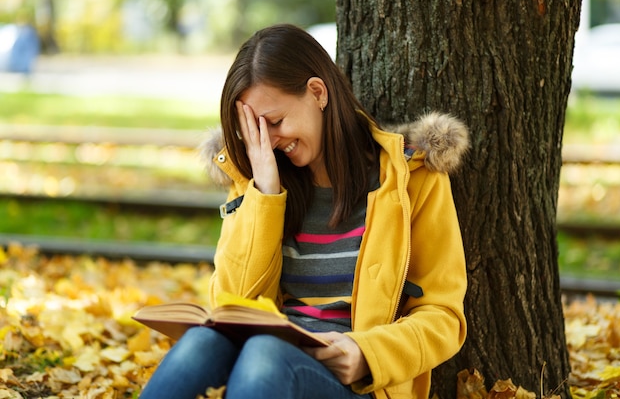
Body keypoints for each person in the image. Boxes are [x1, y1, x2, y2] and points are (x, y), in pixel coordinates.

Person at [139, 23, 469, 399]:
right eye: (255, 131)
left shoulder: (411, 178)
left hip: (358, 385)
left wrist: (367, 353)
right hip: (266, 375)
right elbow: (231, 303)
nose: (270, 142)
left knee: (265, 354)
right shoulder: (257, 181)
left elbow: (444, 316)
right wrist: (264, 193)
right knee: (202, 341)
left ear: (317, 92)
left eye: (275, 122)